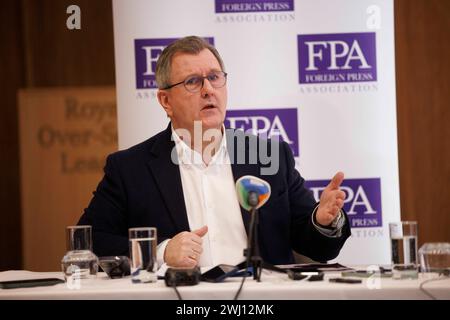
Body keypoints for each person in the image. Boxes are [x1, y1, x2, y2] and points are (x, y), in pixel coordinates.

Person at [78, 36, 350, 269]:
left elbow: (318, 248)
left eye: (214, 77)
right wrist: (160, 252)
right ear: (165, 101)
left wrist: (322, 220)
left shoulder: (270, 157)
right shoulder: (130, 169)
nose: (208, 90)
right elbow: (89, 241)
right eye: (193, 82)